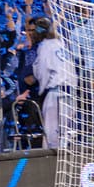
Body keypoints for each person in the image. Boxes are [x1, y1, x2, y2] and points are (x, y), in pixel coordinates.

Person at [32, 18, 76, 149]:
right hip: (71, 93)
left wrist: (41, 90)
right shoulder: (61, 43)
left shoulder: (45, 46)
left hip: (56, 94)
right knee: (67, 135)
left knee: (52, 136)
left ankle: (49, 167)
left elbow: (43, 71)